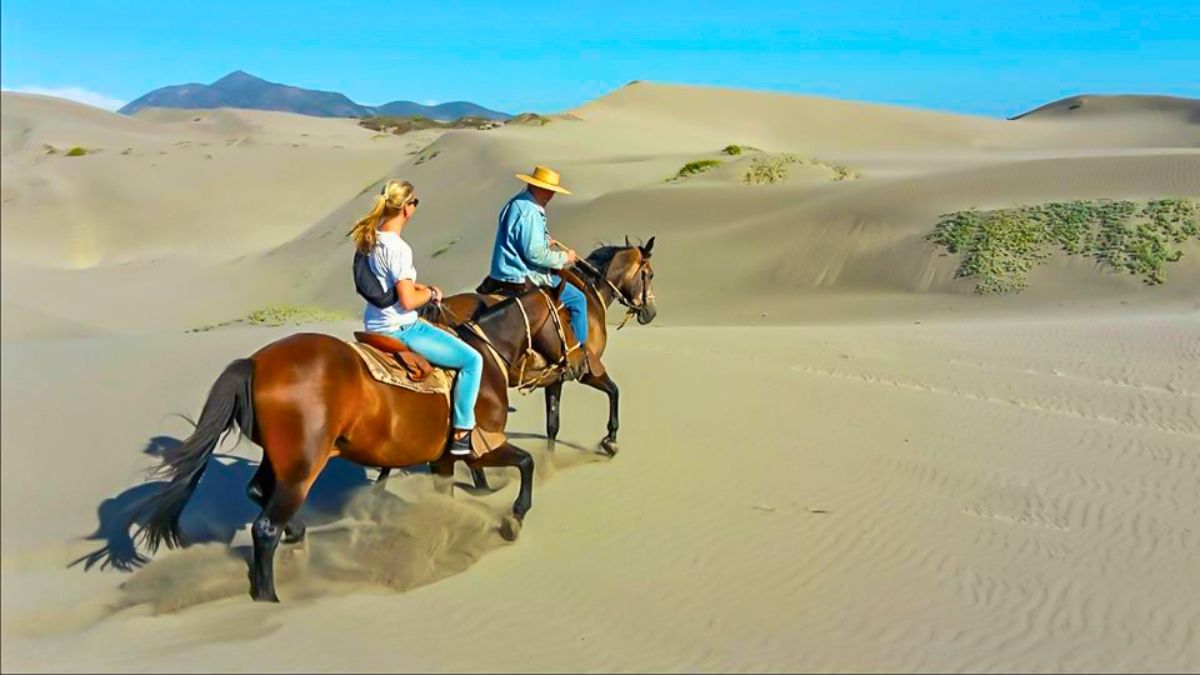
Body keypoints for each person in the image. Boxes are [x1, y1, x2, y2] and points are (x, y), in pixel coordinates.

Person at [348, 180, 482, 456]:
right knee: (473, 360)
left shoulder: (370, 238)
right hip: (400, 328)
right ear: (406, 208)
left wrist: (419, 286)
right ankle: (462, 431)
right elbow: (408, 301)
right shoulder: (398, 248)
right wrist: (431, 293)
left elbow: (387, 285)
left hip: (373, 324)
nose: (415, 207)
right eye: (415, 202)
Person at [481, 165, 589, 377]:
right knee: (578, 299)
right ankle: (579, 354)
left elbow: (522, 240)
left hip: (506, 271)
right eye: (547, 190)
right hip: (524, 275)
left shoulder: (518, 203)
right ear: (535, 186)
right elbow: (535, 254)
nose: (551, 195)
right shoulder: (530, 211)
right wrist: (564, 258)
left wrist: (544, 241)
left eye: (552, 191)